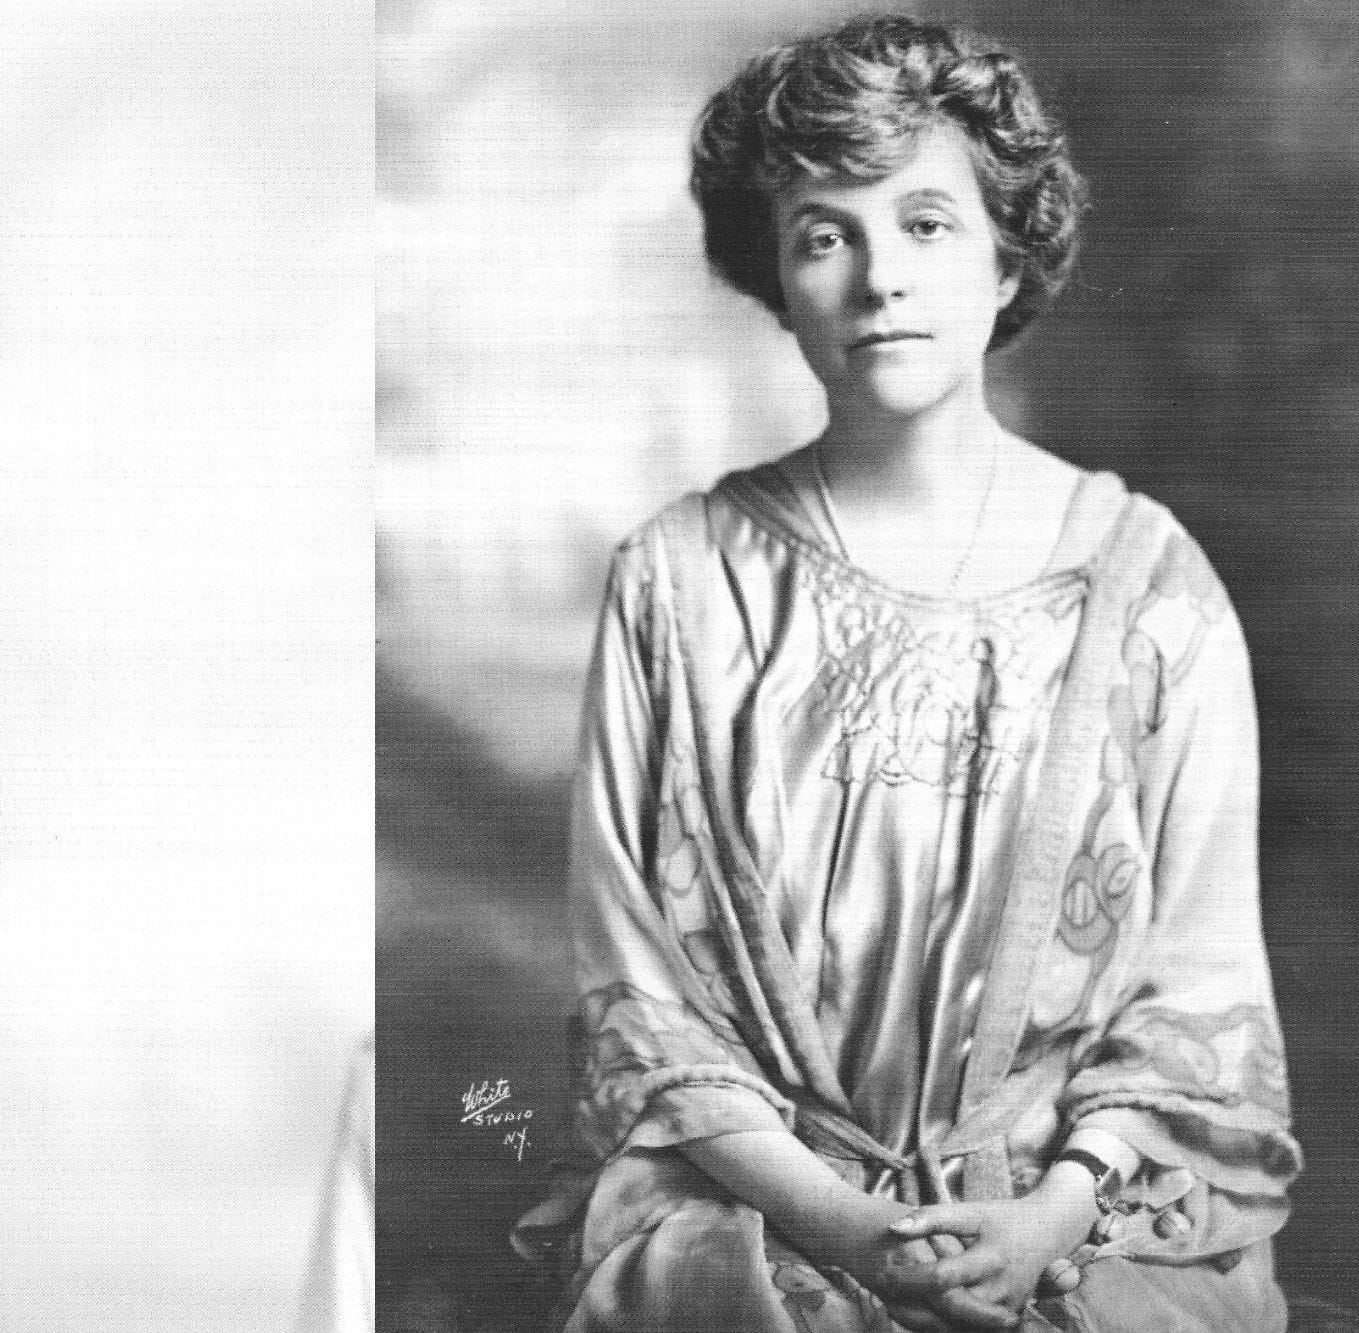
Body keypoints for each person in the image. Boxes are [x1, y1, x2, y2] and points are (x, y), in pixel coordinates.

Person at [513, 17, 1301, 1332]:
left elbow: (1201, 977)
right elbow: (638, 993)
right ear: (777, 277)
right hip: (765, 1218)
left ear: (1007, 255)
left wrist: (1048, 1216)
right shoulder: (678, 584)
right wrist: (855, 1230)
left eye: (927, 224)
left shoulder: (1152, 587)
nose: (881, 277)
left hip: (1071, 1225)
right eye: (826, 235)